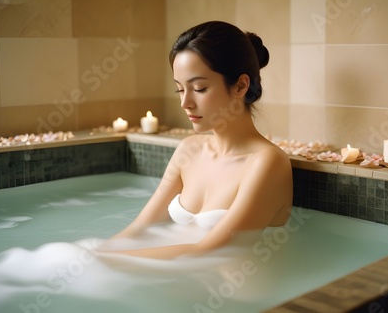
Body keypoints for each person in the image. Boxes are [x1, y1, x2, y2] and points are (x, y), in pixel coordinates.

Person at [107, 21, 293, 259]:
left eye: (199, 88)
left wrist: (112, 262)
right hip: (178, 278)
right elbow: (139, 229)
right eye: (180, 89)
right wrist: (89, 257)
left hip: (233, 290)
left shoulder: (267, 162)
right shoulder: (190, 149)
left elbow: (212, 250)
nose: (185, 103)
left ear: (240, 85)